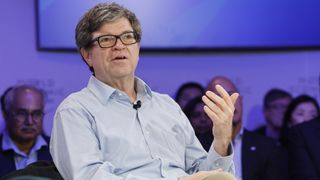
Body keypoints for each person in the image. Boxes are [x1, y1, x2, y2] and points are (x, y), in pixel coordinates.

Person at [50, 3, 239, 180]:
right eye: (106, 40)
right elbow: (90, 176)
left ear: (137, 48)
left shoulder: (167, 106)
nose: (119, 45)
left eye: (128, 37)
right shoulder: (75, 111)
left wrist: (221, 141)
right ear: (87, 55)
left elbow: (202, 173)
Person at [207, 76, 289, 180]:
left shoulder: (267, 147)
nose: (229, 102)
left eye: (232, 95)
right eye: (220, 97)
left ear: (241, 100)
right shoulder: (197, 146)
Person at [0, 85, 52, 177]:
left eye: (36, 114)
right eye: (22, 113)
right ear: (6, 114)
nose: (30, 122)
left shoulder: (56, 150)